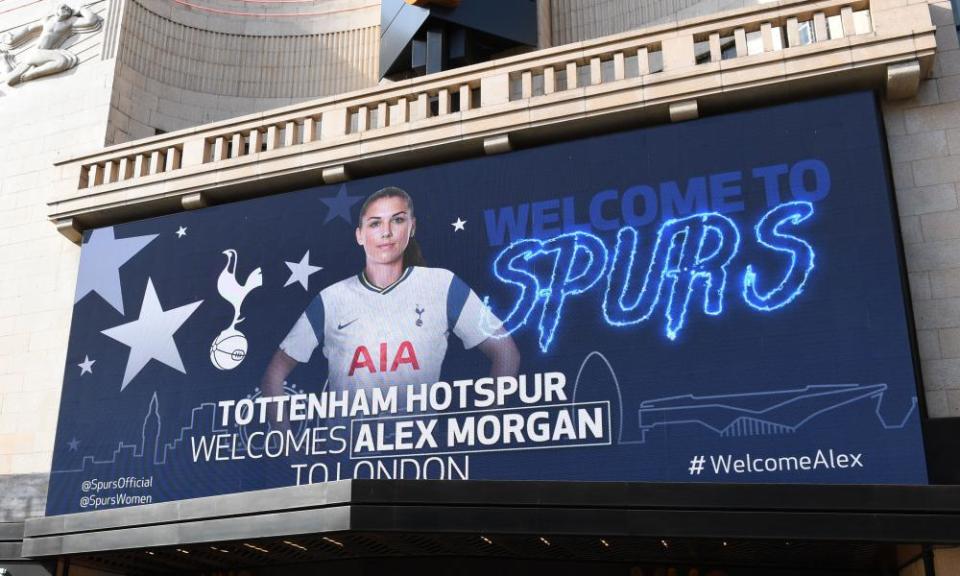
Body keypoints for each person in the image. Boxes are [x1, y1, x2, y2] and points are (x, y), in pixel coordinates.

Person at [262, 186, 520, 402]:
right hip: (344, 457)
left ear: (412, 226)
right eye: (375, 223)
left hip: (419, 455)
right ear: (360, 235)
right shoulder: (331, 298)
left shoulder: (441, 284)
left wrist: (485, 422)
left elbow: (506, 352)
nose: (386, 232)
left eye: (397, 220)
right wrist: (292, 451)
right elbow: (275, 373)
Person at [1, 3, 102, 86]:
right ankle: (7, 61)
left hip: (43, 54)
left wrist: (80, 8)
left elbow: (91, 20)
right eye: (63, 7)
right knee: (62, 61)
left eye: (68, 9)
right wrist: (14, 38)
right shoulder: (48, 21)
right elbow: (29, 28)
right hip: (36, 53)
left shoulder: (70, 22)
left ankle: (12, 63)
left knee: (10, 79)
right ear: (56, 11)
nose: (66, 9)